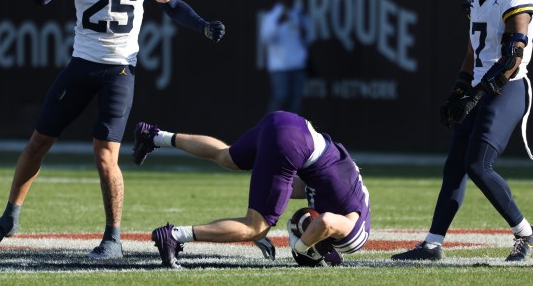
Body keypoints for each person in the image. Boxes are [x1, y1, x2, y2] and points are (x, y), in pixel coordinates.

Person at [0, 0, 226, 259]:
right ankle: (10, 216)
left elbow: (172, 5)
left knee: (105, 156)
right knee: (37, 143)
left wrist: (203, 26)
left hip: (120, 70)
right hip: (81, 65)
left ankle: (113, 238)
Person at [392, 0, 533, 262]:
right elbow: (474, 50)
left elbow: (511, 58)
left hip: (507, 88)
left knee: (479, 165)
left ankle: (527, 234)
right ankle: (432, 243)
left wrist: (474, 96)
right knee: (455, 166)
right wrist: (459, 89)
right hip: (478, 85)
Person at [131, 111, 371, 268]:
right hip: (294, 144)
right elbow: (326, 223)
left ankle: (155, 136)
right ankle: (174, 236)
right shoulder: (354, 237)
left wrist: (261, 213)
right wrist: (299, 248)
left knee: (226, 156)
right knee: (255, 227)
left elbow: (290, 187)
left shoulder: (346, 193)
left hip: (288, 122)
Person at [259, 0, 314, 115]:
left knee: (295, 104)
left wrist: (305, 33)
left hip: (297, 66)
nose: (289, 0)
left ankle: (291, 134)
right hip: (280, 67)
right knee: (281, 97)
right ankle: (270, 127)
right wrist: (278, 23)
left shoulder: (300, 15)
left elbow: (310, 38)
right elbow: (265, 38)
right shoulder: (273, 16)